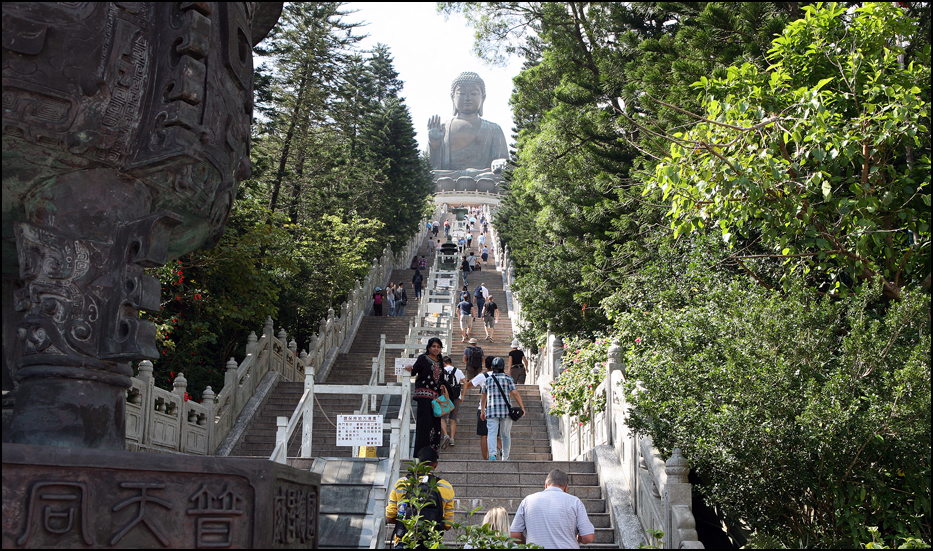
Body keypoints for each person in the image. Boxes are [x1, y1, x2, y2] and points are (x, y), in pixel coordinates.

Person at [426, 72, 508, 181]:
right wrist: (434, 145)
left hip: (483, 177)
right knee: (431, 177)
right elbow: (428, 167)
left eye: (474, 93)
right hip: (448, 178)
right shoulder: (443, 128)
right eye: (461, 93)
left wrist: (500, 162)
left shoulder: (493, 129)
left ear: (483, 98)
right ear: (452, 97)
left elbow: (504, 165)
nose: (468, 98)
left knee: (497, 178)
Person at [386, 446, 455, 548]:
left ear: (417, 463)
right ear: (435, 465)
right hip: (431, 543)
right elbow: (448, 525)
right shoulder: (445, 487)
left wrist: (404, 520)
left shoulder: (402, 483)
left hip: (404, 541)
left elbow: (389, 517)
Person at [509, 469, 595, 548]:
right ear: (566, 487)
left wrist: (528, 544)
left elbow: (514, 535)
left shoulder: (528, 501)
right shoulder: (575, 502)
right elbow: (588, 537)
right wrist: (578, 540)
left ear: (546, 485)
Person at [405, 338, 449, 453]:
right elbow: (414, 370)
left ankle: (432, 453)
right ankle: (421, 453)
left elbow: (442, 379)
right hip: (424, 397)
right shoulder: (423, 358)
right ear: (429, 347)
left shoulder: (440, 362)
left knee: (435, 425)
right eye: (434, 346)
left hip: (436, 400)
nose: (436, 349)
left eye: (438, 347)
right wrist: (410, 368)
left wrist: (443, 386)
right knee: (424, 425)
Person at [481, 357, 523, 460]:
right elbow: (515, 393)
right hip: (506, 411)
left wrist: (483, 410)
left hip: (491, 411)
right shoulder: (508, 379)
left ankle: (492, 455)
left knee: (491, 433)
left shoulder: (488, 380)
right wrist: (522, 407)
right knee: (505, 435)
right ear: (503, 367)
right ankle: (505, 456)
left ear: (492, 367)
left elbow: (483, 396)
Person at [463, 369, 501, 460]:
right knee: (494, 434)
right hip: (497, 410)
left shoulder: (483, 376)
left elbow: (468, 385)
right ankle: (503, 450)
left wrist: (477, 375)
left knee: (484, 435)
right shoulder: (502, 376)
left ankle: (486, 458)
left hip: (484, 409)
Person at [439, 355, 465, 449]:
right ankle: (452, 439)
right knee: (452, 419)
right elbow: (465, 382)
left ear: (444, 363)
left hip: (444, 396)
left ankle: (445, 435)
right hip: (456, 396)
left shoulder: (442, 371)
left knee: (442, 418)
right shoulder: (458, 370)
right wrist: (463, 395)